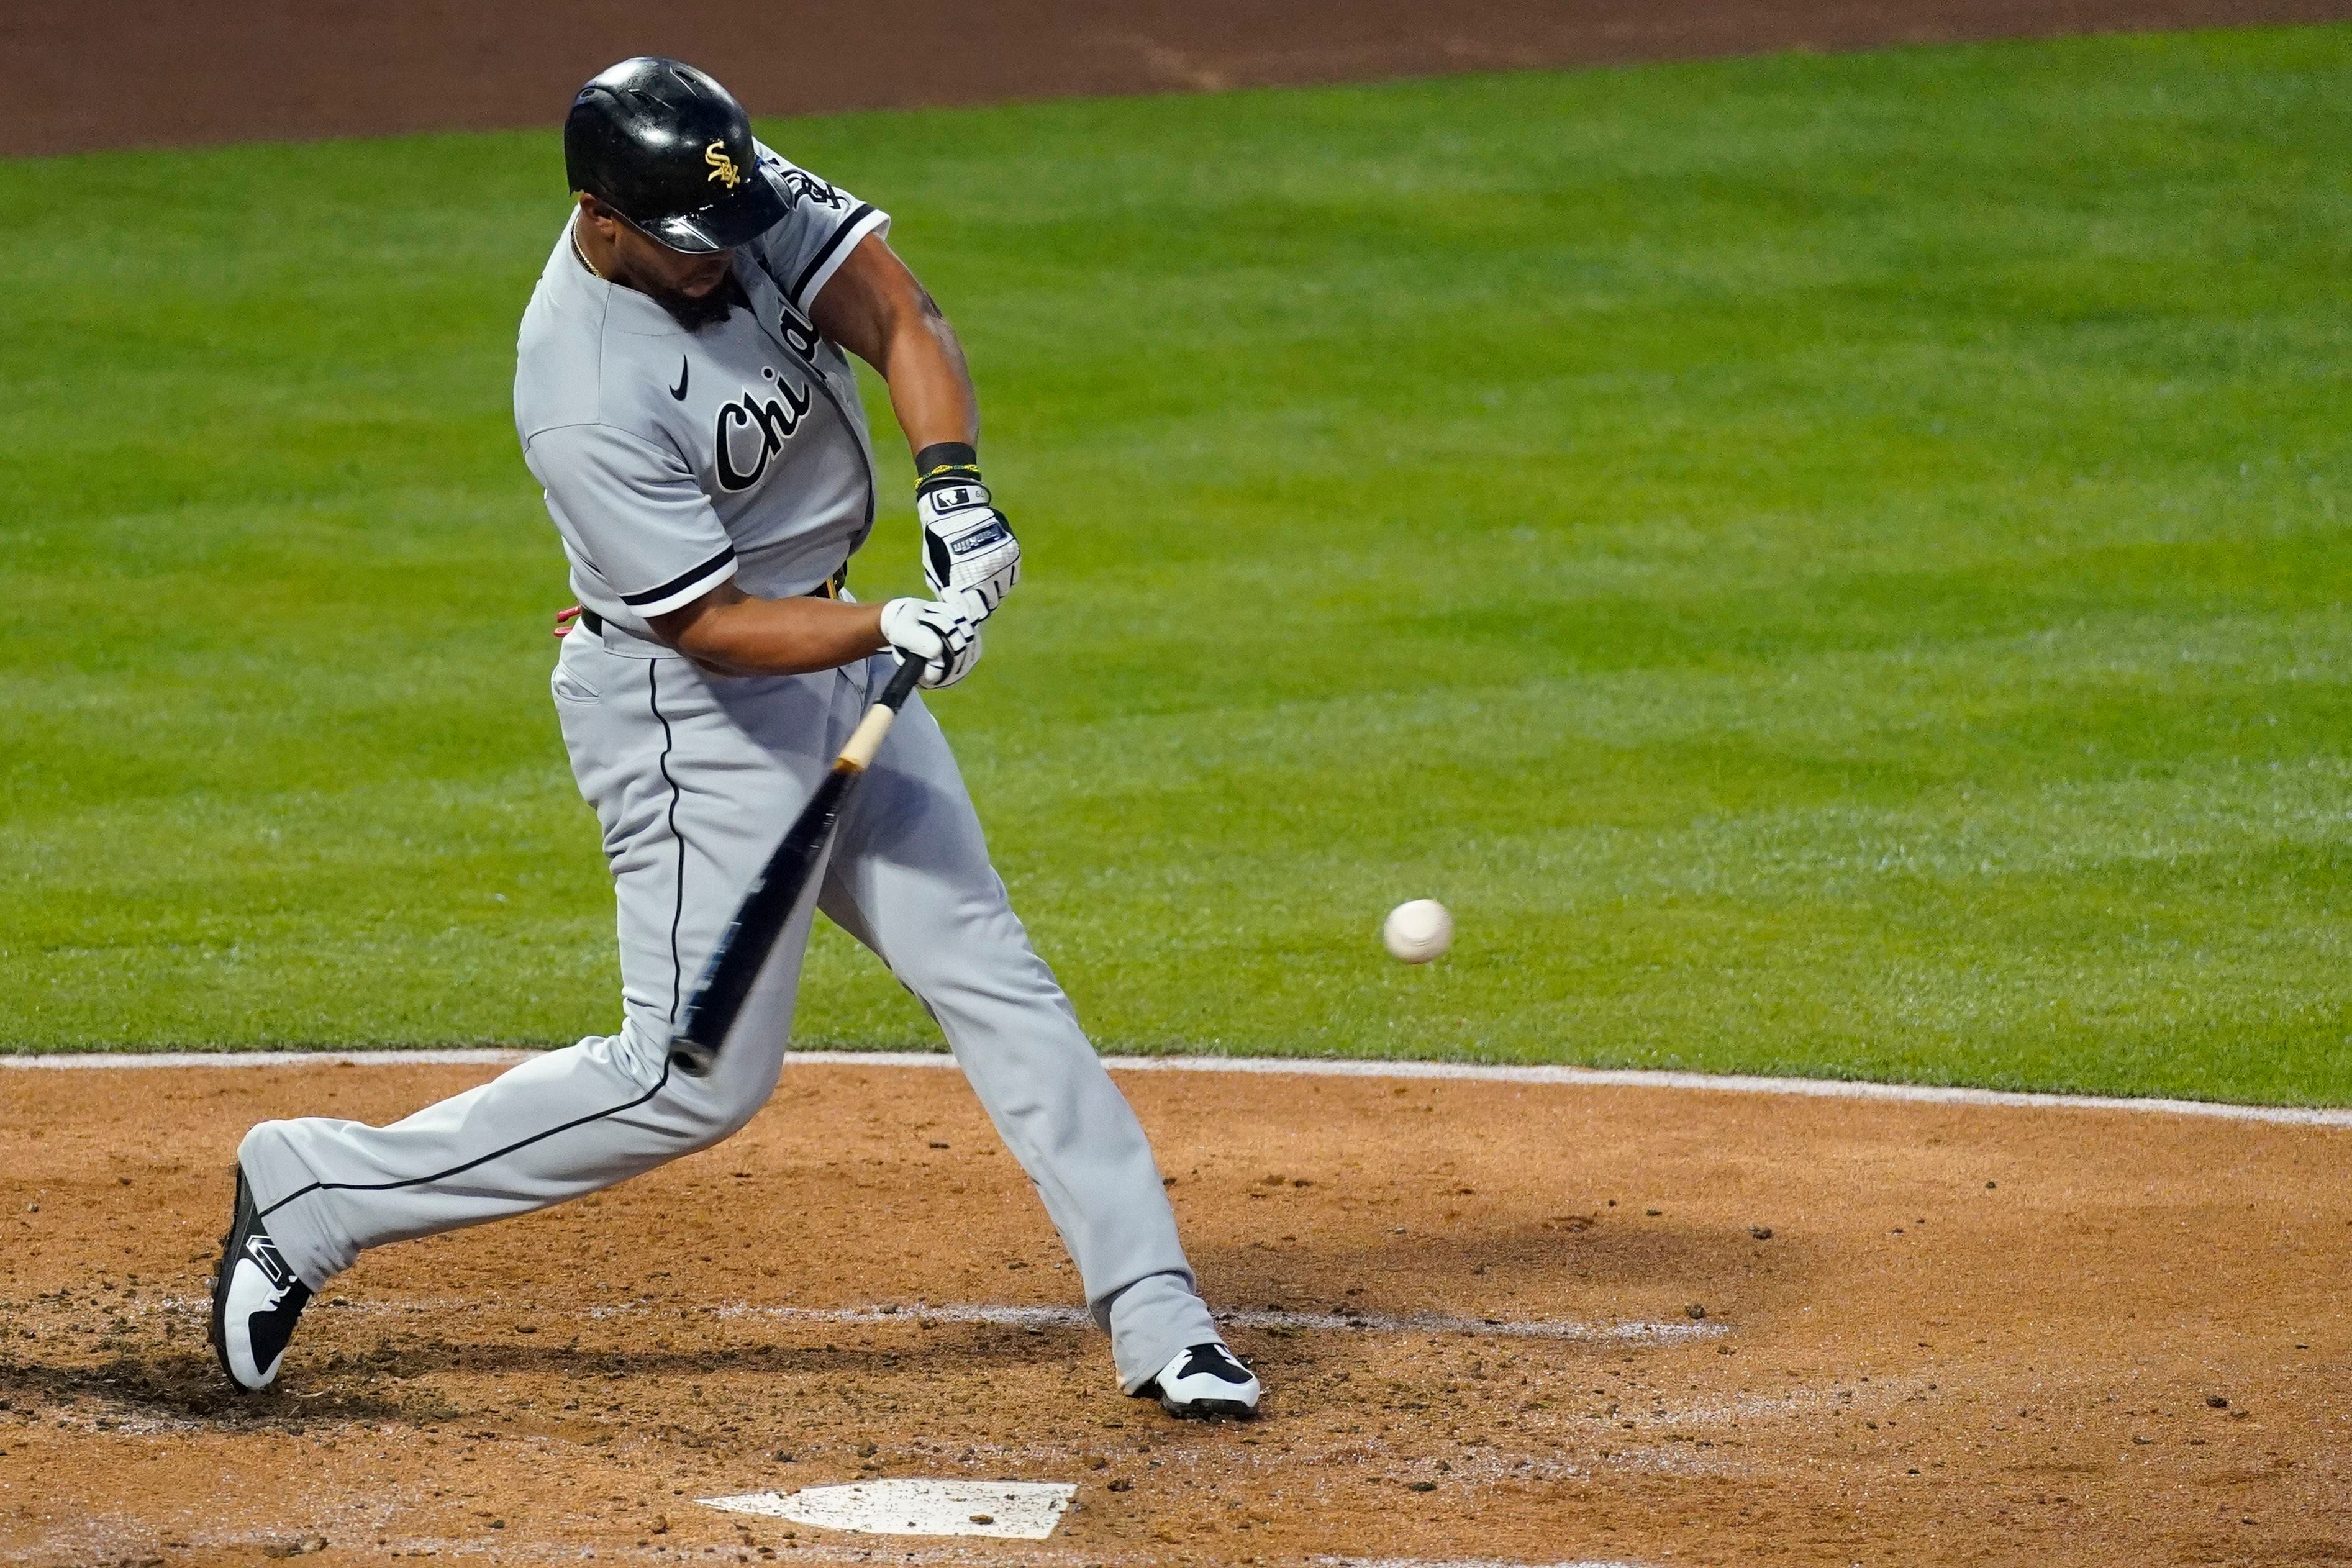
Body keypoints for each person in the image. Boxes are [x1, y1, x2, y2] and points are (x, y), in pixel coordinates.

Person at [208, 56, 1259, 1421]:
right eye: (688, 250)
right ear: (601, 217)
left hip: (831, 654)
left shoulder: (727, 193)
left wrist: (954, 494)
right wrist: (890, 622)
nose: (723, 263)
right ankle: (314, 1191)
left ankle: (1158, 1314)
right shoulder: (580, 385)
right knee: (687, 1080)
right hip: (690, 715)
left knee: (989, 971)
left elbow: (895, 307)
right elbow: (708, 627)